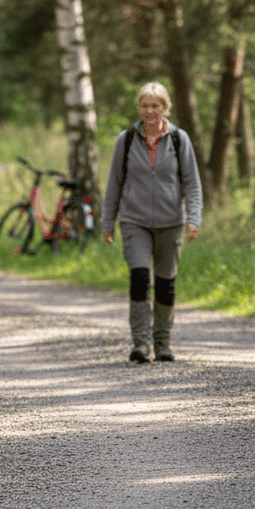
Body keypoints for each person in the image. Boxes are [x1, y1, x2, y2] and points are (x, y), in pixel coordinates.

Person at [100, 82, 203, 363]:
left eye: (155, 106)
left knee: (165, 283)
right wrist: (107, 221)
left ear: (165, 108)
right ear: (139, 108)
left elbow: (192, 184)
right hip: (134, 221)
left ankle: (163, 343)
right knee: (140, 278)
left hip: (170, 222)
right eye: (145, 106)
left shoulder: (180, 140)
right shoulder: (127, 140)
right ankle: (142, 344)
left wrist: (193, 218)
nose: (150, 111)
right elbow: (114, 184)